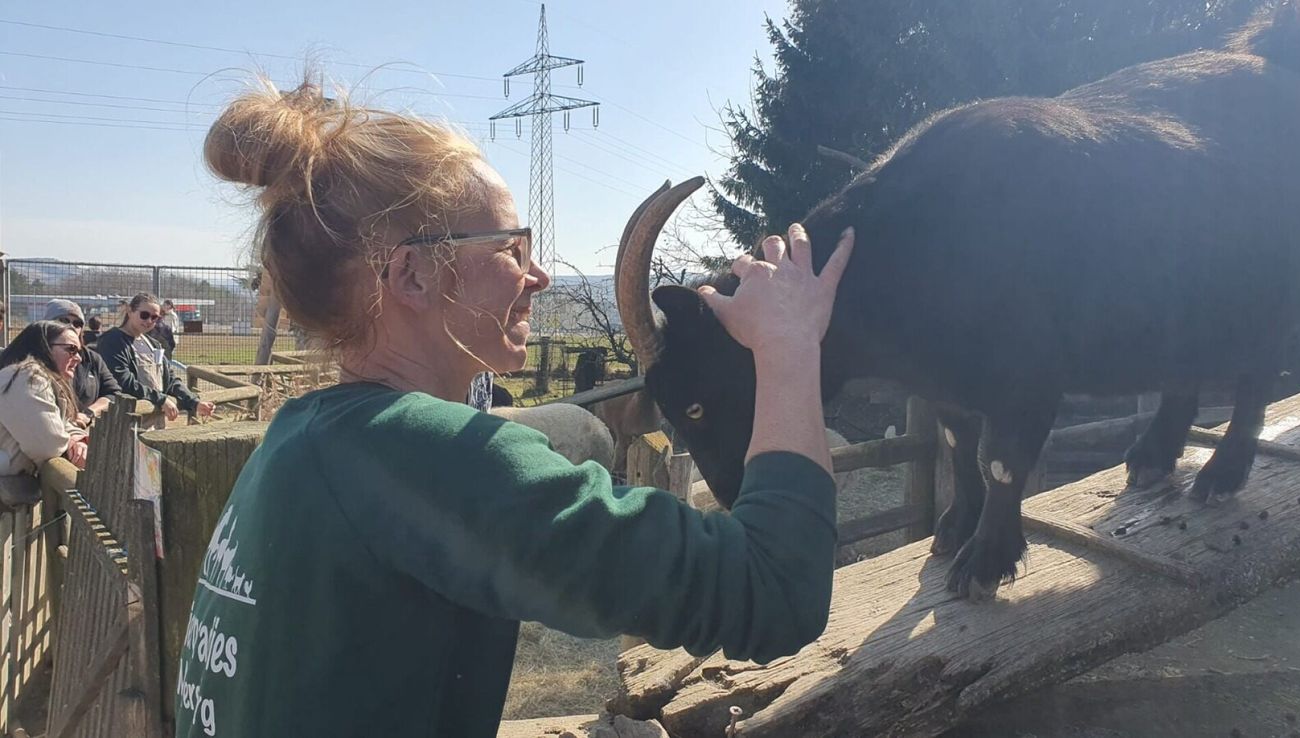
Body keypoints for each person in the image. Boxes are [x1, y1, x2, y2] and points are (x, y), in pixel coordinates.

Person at [175, 78, 853, 738]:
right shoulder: (429, 456)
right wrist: (789, 346)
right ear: (412, 274)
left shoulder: (295, 443)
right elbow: (775, 591)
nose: (540, 276)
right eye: (510, 247)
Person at [95, 293, 214, 428]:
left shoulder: (154, 344)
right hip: (124, 424)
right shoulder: (112, 341)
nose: (149, 321)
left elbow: (170, 380)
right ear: (130, 311)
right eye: (144, 315)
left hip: (154, 424)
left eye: (155, 317)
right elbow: (123, 382)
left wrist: (194, 402)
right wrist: (161, 399)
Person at [0, 321, 89, 475]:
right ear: (44, 347)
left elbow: (62, 421)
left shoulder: (38, 377)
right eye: (71, 349)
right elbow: (48, 446)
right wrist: (70, 443)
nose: (79, 358)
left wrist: (77, 438)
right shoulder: (27, 377)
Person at [44, 300, 121, 429]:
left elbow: (113, 393)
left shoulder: (91, 359)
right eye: (63, 321)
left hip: (84, 434)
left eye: (77, 323)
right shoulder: (32, 358)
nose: (71, 327)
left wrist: (88, 413)